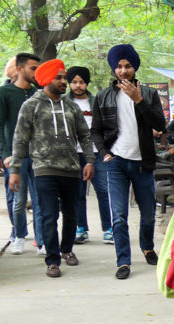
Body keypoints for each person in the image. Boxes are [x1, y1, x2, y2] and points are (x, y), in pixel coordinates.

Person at [9, 60, 94, 278]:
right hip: (44, 168)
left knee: (72, 215)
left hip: (72, 168)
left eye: (64, 77)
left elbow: (85, 135)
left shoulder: (71, 106)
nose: (64, 82)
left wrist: (90, 161)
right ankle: (52, 260)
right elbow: (20, 139)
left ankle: (67, 250)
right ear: (46, 79)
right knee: (48, 215)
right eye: (59, 78)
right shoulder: (31, 105)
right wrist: (15, 170)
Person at [91, 43, 167, 280]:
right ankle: (123, 261)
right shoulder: (104, 96)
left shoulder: (150, 94)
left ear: (135, 68)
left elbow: (160, 125)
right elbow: (95, 130)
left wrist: (139, 100)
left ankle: (147, 247)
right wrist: (104, 152)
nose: (123, 71)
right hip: (116, 162)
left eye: (128, 66)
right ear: (113, 69)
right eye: (119, 67)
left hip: (143, 162)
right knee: (119, 215)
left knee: (148, 213)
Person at [0, 52, 41, 256]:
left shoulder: (39, 93)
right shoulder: (4, 93)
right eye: (33, 68)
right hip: (16, 157)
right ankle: (19, 235)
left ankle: (42, 240)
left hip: (39, 156)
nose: (36, 72)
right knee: (19, 201)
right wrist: (4, 154)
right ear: (20, 69)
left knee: (41, 200)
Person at [65, 65, 112, 246]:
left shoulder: (96, 101)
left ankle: (108, 229)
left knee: (103, 190)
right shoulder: (64, 103)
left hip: (96, 153)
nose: (78, 85)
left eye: (81, 82)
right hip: (73, 154)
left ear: (87, 83)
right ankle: (81, 229)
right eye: (74, 82)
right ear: (69, 84)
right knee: (77, 193)